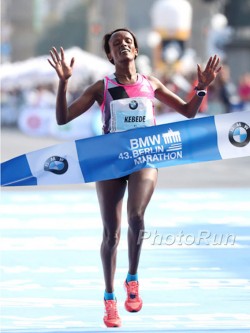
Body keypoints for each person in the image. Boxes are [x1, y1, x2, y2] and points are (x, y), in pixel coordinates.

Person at [48, 28, 221, 328]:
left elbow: (188, 112)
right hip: (110, 161)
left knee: (137, 217)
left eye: (128, 41)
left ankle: (133, 278)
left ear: (136, 50)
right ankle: (109, 298)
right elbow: (63, 119)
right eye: (117, 44)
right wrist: (63, 84)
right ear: (110, 55)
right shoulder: (101, 88)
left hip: (145, 156)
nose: (123, 45)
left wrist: (201, 88)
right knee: (111, 234)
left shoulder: (150, 84)